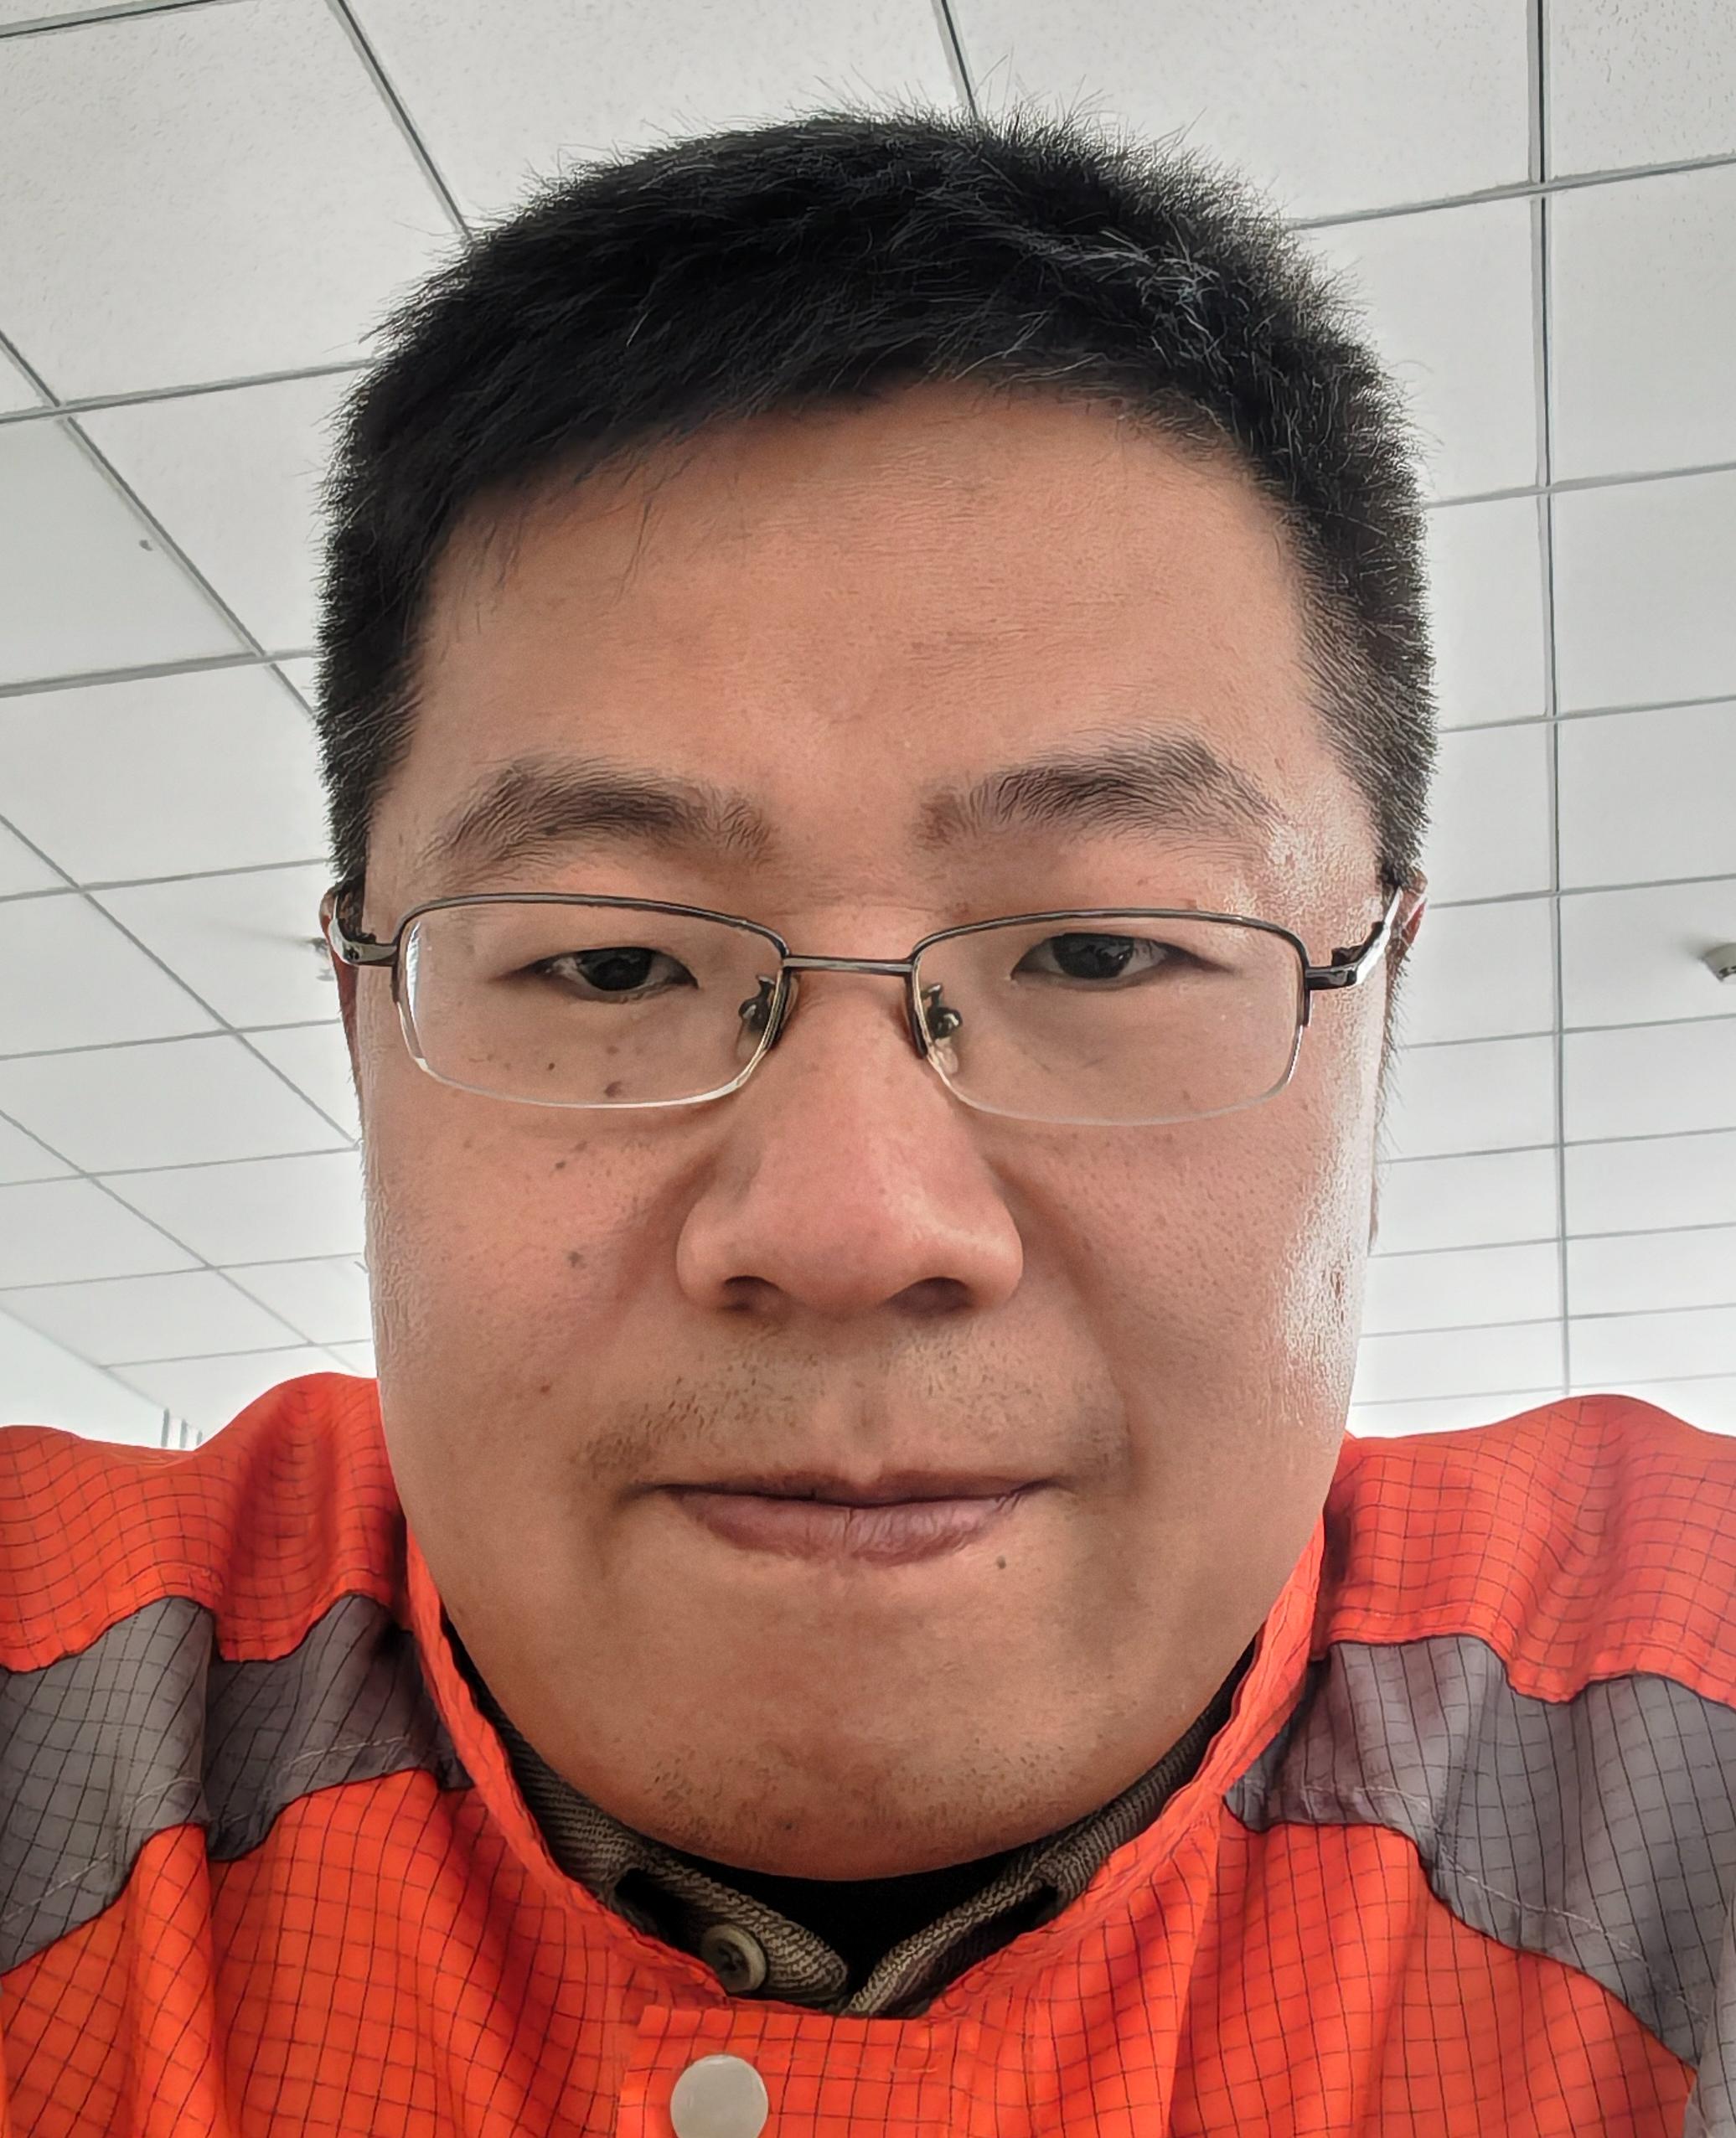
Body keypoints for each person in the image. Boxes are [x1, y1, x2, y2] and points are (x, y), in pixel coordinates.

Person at [1, 106, 1729, 2138]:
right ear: (365, 1018)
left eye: (1097, 950)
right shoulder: (63, 1715)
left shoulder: (1665, 1749)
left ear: (1376, 1013)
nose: (846, 1220)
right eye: (610, 962)